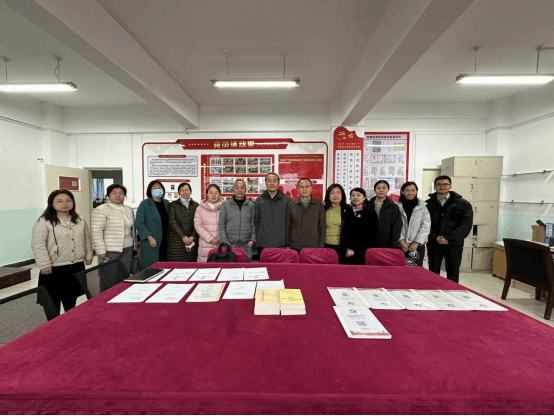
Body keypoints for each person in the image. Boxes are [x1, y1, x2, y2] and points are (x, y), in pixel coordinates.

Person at [32, 190, 93, 314]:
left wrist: (88, 255)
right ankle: (54, 326)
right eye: (59, 201)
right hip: (53, 268)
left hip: (76, 266)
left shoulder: (80, 219)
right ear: (51, 203)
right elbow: (38, 244)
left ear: (73, 203)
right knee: (52, 304)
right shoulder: (44, 221)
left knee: (71, 301)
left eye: (68, 200)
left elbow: (87, 238)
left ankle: (69, 324)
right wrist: (44, 264)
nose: (64, 204)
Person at [426, 175, 473, 283]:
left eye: (445, 184)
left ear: (450, 186)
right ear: (434, 186)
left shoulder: (463, 204)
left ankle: (452, 292)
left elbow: (465, 225)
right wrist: (435, 237)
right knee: (433, 271)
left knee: (453, 272)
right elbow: (425, 224)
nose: (442, 186)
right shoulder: (428, 204)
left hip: (453, 243)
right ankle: (433, 291)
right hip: (434, 242)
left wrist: (447, 238)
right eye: (439, 184)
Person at [91, 184, 135, 273]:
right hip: (110, 250)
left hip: (128, 248)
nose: (118, 195)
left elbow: (132, 229)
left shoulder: (128, 209)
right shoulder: (101, 209)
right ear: (108, 195)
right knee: (109, 276)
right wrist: (101, 251)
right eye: (114, 193)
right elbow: (96, 231)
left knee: (125, 274)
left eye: (121, 193)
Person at [254, 173, 291, 257]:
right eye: (269, 181)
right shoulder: (259, 200)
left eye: (274, 181)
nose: (272, 183)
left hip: (281, 244)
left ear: (278, 183)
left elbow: (289, 223)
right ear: (265, 183)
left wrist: (289, 243)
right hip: (263, 244)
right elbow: (256, 221)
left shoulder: (287, 200)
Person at [135, 180, 170, 269]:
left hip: (166, 241)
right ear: (150, 191)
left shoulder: (167, 203)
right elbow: (139, 223)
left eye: (159, 187)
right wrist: (150, 238)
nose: (157, 189)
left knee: (164, 266)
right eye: (154, 188)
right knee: (150, 268)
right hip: (151, 241)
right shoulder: (145, 204)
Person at [219, 179, 256, 262]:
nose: (239, 190)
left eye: (242, 187)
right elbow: (221, 225)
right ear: (233, 189)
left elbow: (253, 223)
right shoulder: (225, 205)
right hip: (230, 244)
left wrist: (252, 240)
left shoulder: (251, 205)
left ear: (245, 190)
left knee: (246, 267)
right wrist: (224, 241)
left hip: (246, 245)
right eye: (237, 187)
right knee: (230, 268)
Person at [286, 178, 326, 251]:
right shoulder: (291, 205)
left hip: (313, 246)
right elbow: (288, 226)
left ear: (311, 188)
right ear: (298, 189)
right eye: (301, 187)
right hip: (295, 246)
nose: (304, 189)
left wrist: (321, 246)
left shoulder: (319, 205)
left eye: (307, 186)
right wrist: (288, 244)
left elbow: (322, 227)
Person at [397, 182, 431, 266]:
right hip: (400, 245)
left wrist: (416, 242)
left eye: (413, 190)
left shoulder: (422, 207)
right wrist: (401, 241)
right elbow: (394, 225)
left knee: (415, 269)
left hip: (417, 246)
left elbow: (426, 226)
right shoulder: (396, 207)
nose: (410, 193)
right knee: (400, 269)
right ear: (402, 192)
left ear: (416, 191)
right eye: (407, 190)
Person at [342, 187, 378, 265]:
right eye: (353, 195)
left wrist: (357, 250)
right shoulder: (348, 211)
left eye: (358, 195)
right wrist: (348, 248)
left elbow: (372, 233)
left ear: (364, 197)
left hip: (365, 250)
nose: (355, 197)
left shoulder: (370, 211)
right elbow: (345, 231)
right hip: (349, 250)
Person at [167, 183, 199, 262]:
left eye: (187, 190)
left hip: (192, 242)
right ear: (179, 193)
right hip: (176, 243)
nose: (185, 192)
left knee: (191, 264)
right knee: (176, 265)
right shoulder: (173, 205)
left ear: (190, 191)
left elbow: (198, 223)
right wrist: (183, 236)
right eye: (182, 190)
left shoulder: (196, 205)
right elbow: (172, 222)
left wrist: (192, 236)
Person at [368, 180, 402, 248]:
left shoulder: (393, 207)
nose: (381, 190)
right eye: (378, 188)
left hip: (387, 244)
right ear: (375, 190)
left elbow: (396, 227)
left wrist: (393, 244)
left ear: (387, 190)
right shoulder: (368, 205)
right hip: (368, 243)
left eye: (384, 188)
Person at [323, 184, 352, 264]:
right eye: (332, 193)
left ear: (342, 195)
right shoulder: (323, 209)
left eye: (338, 193)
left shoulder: (348, 209)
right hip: (326, 245)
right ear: (328, 195)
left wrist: (350, 247)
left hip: (342, 246)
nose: (335, 195)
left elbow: (352, 230)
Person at [194, 184, 223, 262]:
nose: (213, 195)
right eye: (211, 193)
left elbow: (228, 225)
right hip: (205, 244)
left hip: (221, 243)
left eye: (216, 193)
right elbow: (198, 226)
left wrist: (221, 237)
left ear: (219, 195)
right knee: (205, 267)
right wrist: (210, 239)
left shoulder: (224, 207)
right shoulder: (200, 208)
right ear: (206, 194)